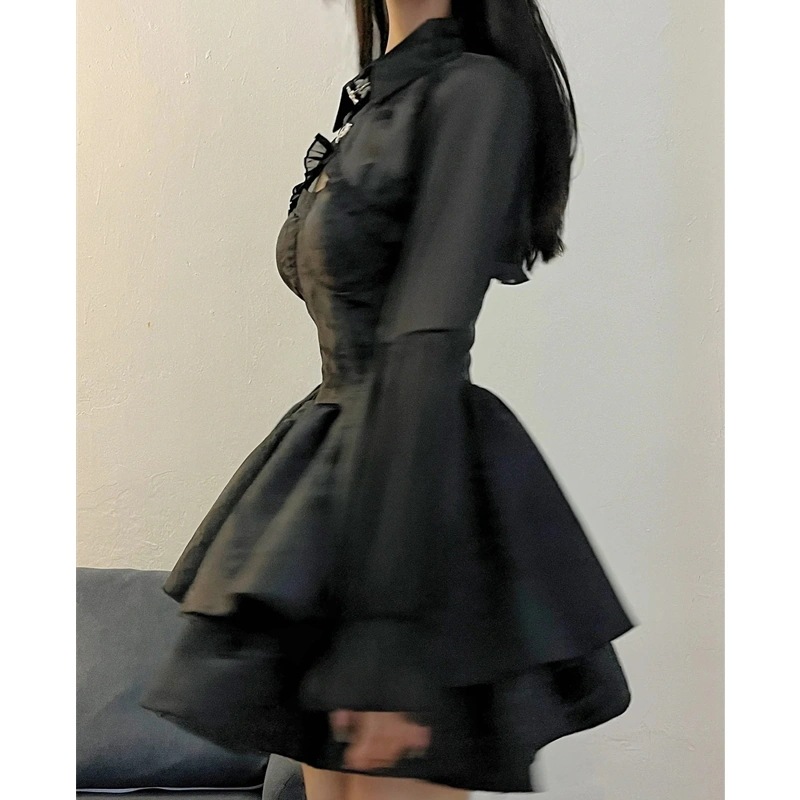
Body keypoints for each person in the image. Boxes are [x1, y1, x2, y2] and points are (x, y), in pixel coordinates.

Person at [140, 0, 637, 797]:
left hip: (418, 501)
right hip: (331, 493)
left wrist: (388, 644)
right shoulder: (377, 103)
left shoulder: (475, 92)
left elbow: (424, 349)